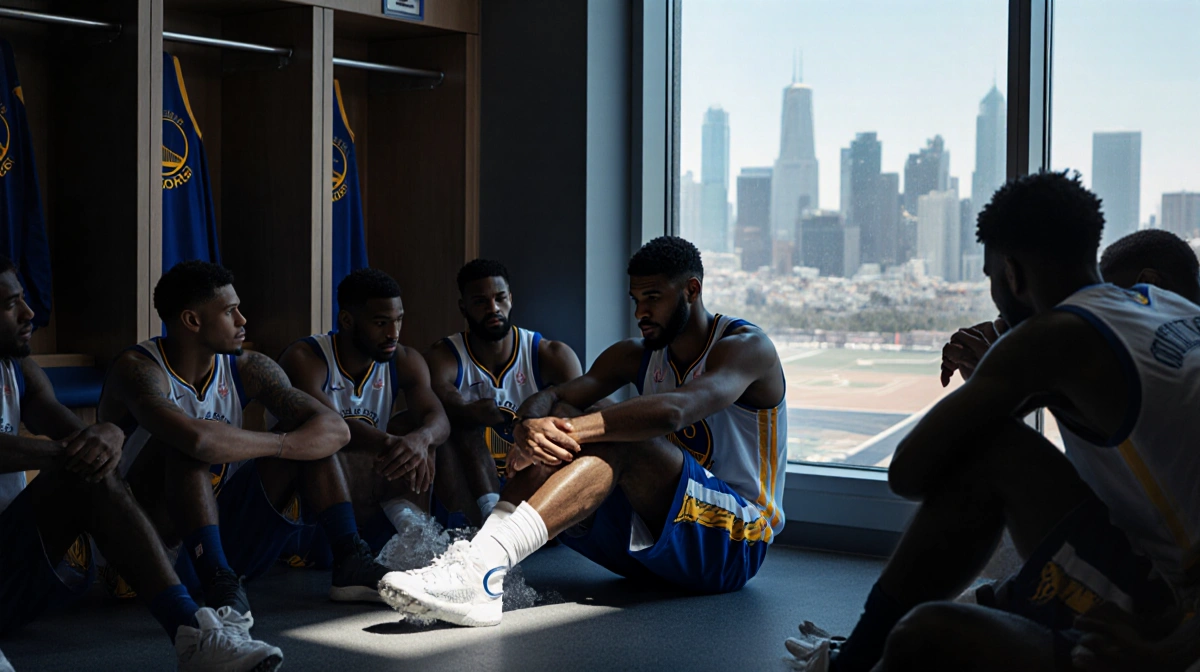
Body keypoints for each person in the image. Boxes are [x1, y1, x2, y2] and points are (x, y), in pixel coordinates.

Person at [785, 171, 1199, 672]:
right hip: (1166, 582)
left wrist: (1005, 367)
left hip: (1172, 622)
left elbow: (908, 472)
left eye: (989, 277)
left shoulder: (1054, 336)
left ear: (1012, 275)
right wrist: (1007, 379)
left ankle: (855, 659)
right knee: (999, 452)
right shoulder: (1165, 305)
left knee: (924, 636)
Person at [378, 236, 789, 627]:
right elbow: (554, 396)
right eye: (635, 300)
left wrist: (566, 428)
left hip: (735, 542)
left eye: (653, 298)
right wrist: (528, 427)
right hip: (655, 547)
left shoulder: (746, 347)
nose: (640, 313)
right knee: (575, 409)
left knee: (620, 435)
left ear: (691, 290)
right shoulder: (636, 353)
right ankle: (482, 565)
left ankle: (484, 565)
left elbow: (674, 412)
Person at [0, 257, 282, 670]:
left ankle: (195, 636)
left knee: (91, 469)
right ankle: (194, 631)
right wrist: (81, 448)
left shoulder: (17, 365)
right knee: (84, 466)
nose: (29, 313)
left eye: (24, 299)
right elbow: (74, 449)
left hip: (18, 568)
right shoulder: (139, 365)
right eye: (11, 304)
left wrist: (106, 435)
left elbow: (74, 434)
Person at [98, 260, 388, 621]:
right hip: (150, 550)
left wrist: (283, 445)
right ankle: (217, 577)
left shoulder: (247, 366)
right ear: (192, 320)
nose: (243, 321)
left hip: (226, 539)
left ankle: (350, 561)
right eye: (230, 312)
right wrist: (279, 443)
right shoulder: (138, 369)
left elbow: (336, 429)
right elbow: (198, 441)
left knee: (312, 435)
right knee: (183, 443)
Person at [276, 268, 450, 556]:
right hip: (311, 506)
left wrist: (421, 439)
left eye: (398, 320)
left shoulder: (405, 359)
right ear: (347, 320)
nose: (393, 333)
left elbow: (439, 418)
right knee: (328, 445)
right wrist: (394, 444)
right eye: (381, 323)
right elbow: (332, 426)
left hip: (369, 491)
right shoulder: (305, 358)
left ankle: (415, 535)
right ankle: (407, 535)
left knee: (421, 435)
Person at [425, 259, 582, 527]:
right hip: (471, 489)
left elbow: (580, 419)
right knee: (452, 424)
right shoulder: (444, 357)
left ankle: (516, 526)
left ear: (510, 298)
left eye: (500, 298)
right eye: (480, 302)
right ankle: (485, 522)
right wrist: (469, 411)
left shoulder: (552, 355)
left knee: (566, 414)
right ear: (463, 307)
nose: (493, 308)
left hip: (532, 487)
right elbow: (440, 409)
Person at [941, 228, 1200, 386]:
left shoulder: (1135, 365)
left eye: (1109, 294)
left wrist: (996, 377)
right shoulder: (1182, 340)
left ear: (1150, 288)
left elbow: (913, 459)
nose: (1096, 308)